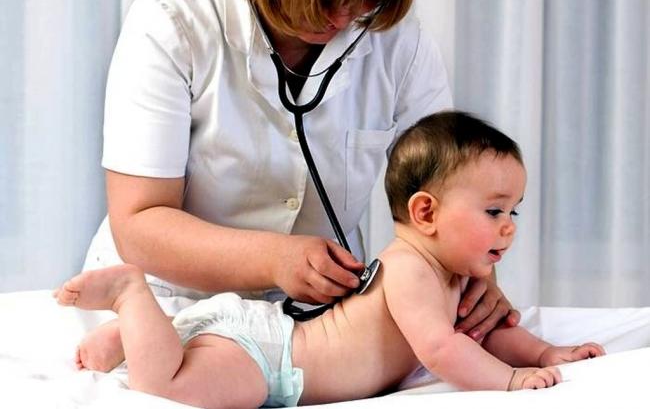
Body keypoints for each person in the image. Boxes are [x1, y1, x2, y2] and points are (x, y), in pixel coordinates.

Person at [79, 0, 519, 371]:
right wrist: (274, 259)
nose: (345, 17)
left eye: (365, 1)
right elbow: (139, 221)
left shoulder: (399, 41)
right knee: (193, 374)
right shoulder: (173, 20)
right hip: (170, 297)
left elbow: (453, 189)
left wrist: (474, 273)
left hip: (323, 311)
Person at [56, 111, 605, 407]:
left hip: (268, 339)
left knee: (183, 367)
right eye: (493, 210)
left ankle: (137, 338)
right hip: (269, 358)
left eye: (514, 211)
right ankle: (132, 297)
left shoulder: (450, 276)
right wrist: (509, 384)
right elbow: (444, 349)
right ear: (426, 211)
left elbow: (484, 335)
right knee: (168, 390)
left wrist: (544, 353)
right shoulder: (410, 269)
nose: (509, 226)